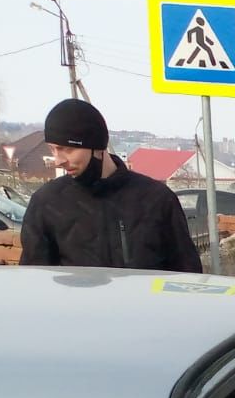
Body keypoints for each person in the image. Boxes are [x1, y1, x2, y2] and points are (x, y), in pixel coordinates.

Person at [20, 98, 202, 272]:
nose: (58, 160)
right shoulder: (47, 202)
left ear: (97, 147)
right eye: (53, 149)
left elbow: (187, 274)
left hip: (145, 304)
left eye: (67, 149)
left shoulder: (157, 200)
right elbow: (35, 281)